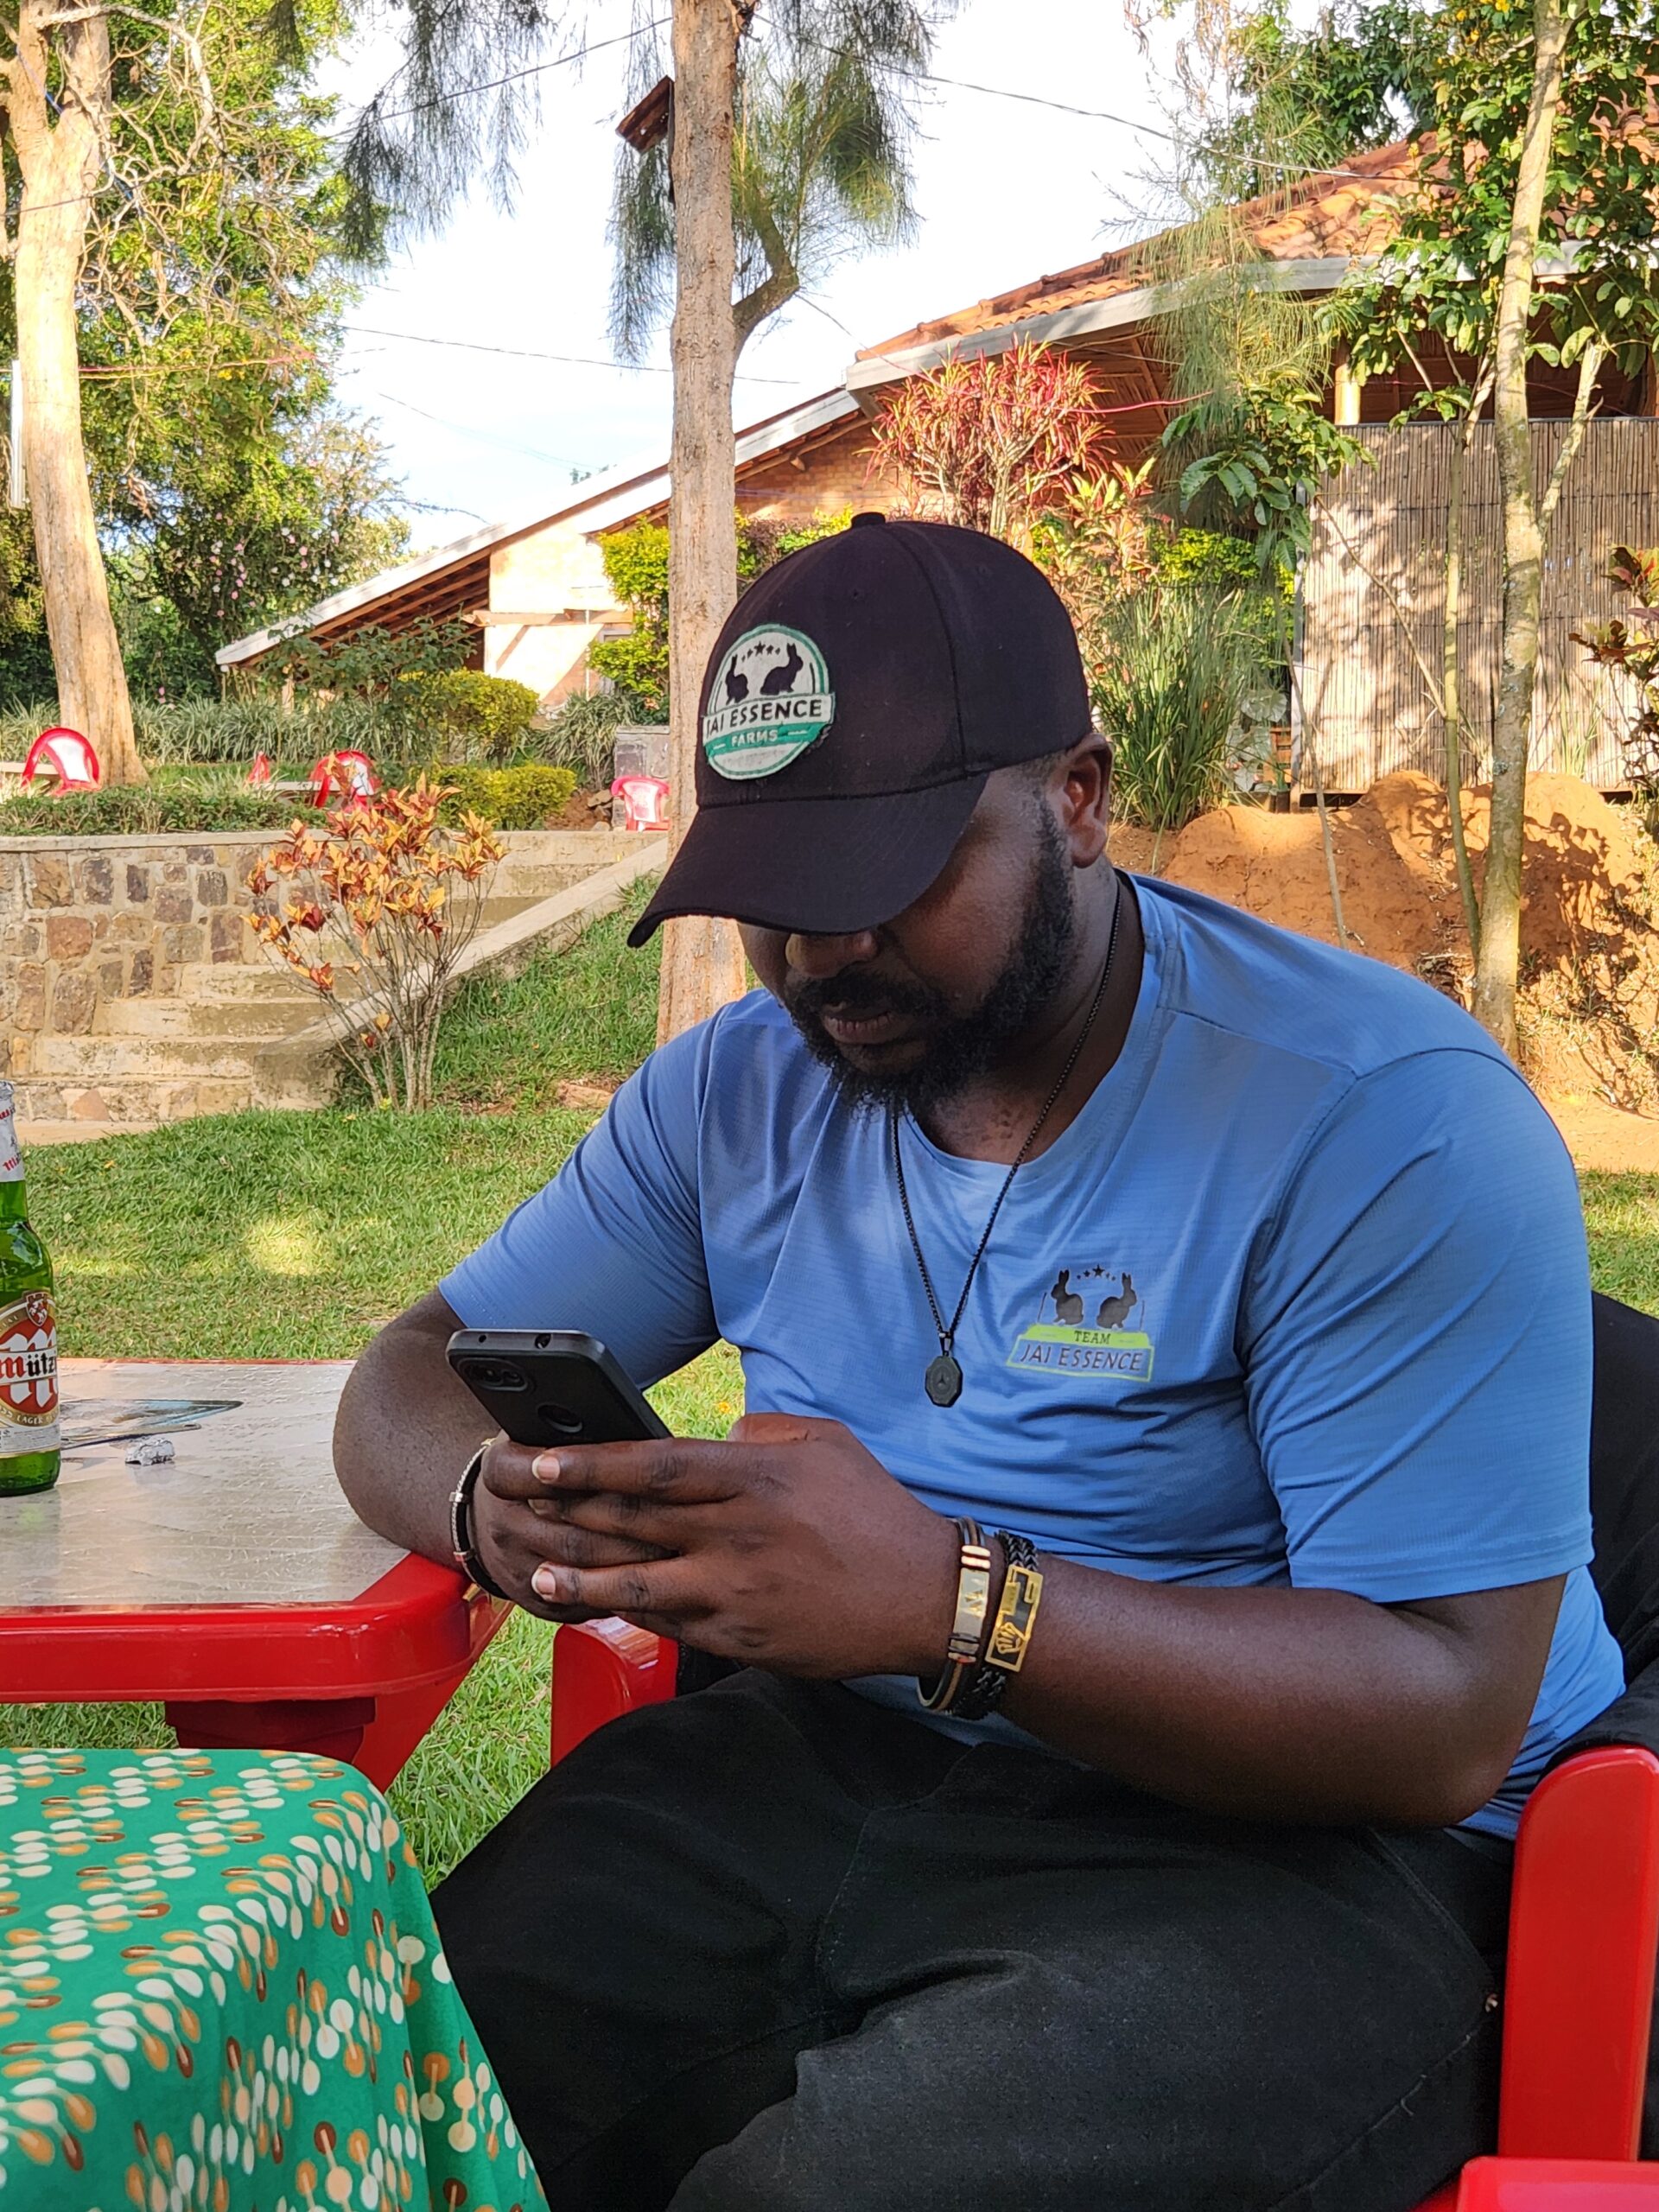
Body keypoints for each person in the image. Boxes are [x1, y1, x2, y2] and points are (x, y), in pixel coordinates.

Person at [334, 515, 1624, 2212]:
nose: (819, 955)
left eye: (884, 877)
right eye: (775, 894)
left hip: (1307, 1848)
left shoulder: (1380, 1120)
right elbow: (406, 1372)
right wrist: (492, 1504)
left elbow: (1446, 1712)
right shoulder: (735, 1094)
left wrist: (954, 1603)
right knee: (373, 2107)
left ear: (1076, 801)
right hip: (827, 1763)